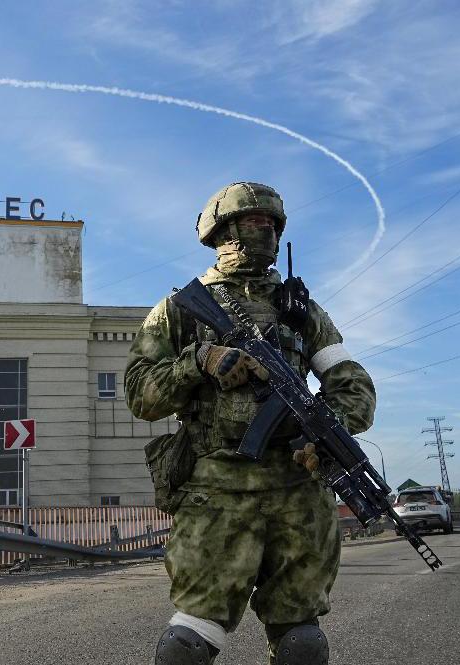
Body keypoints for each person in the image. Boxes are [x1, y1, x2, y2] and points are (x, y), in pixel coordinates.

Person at [125, 182, 376, 665]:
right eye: (253, 222)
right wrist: (197, 362)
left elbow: (353, 384)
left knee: (302, 641)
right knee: (191, 642)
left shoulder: (301, 311)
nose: (265, 231)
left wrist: (327, 431)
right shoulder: (179, 310)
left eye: (272, 224)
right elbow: (139, 394)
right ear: (224, 230)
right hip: (217, 490)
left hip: (298, 491)